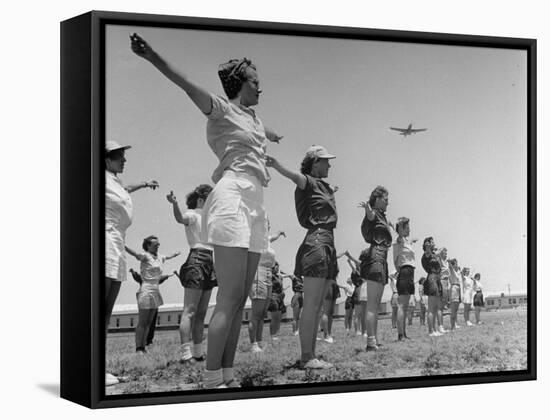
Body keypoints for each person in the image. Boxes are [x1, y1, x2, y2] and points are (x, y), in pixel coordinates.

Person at [131, 34, 282, 388]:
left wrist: (272, 136)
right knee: (228, 297)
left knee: (241, 299)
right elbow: (187, 86)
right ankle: (212, 380)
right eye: (255, 82)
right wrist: (153, 55)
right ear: (239, 83)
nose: (261, 88)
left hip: (256, 204)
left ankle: (227, 376)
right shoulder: (222, 108)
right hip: (232, 198)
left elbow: (260, 131)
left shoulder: (254, 119)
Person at [266, 145, 338, 369]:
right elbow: (295, 177)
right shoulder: (307, 180)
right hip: (316, 242)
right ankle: (306, 357)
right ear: (315, 162)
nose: (330, 164)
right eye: (326, 160)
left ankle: (311, 354)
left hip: (327, 242)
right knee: (312, 304)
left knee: (318, 306)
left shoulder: (324, 186)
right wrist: (277, 165)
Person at [104, 140, 158, 386]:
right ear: (105, 159)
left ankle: (98, 366)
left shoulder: (114, 181)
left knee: (105, 313)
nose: (124, 160)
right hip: (103, 244)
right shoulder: (97, 177)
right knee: (96, 310)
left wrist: (145, 184)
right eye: (118, 157)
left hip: (116, 247)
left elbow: (127, 188)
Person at [166, 186, 218, 363]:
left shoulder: (211, 219)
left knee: (202, 313)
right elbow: (180, 218)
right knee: (190, 311)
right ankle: (185, 354)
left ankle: (197, 352)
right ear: (201, 200)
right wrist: (174, 203)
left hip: (210, 261)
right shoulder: (193, 214)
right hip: (196, 258)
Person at [125, 236, 179, 353]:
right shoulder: (145, 256)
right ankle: (138, 347)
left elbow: (168, 256)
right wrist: (123, 245)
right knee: (143, 322)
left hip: (155, 289)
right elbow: (134, 254)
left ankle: (143, 346)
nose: (158, 246)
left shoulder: (160, 257)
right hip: (146, 289)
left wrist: (175, 254)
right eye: (155, 244)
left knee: (149, 322)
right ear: (148, 246)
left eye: (158, 244)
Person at [359, 186, 392, 351]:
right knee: (372, 305)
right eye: (385, 199)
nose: (388, 202)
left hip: (381, 260)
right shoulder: (373, 213)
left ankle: (374, 339)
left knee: (376, 305)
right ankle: (370, 342)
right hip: (376, 259)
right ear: (377, 199)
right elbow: (370, 216)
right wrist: (367, 207)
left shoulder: (382, 217)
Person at [248, 230, 285, 352]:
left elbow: (272, 237)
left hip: (269, 273)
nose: (267, 225)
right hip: (259, 272)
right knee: (256, 313)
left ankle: (259, 341)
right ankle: (253, 344)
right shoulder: (252, 238)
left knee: (263, 313)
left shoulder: (266, 239)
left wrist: (280, 233)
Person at [392, 217, 417, 340]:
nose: (409, 230)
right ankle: (400, 334)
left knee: (405, 306)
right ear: (401, 229)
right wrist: (400, 223)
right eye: (407, 228)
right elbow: (400, 233)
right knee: (402, 305)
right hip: (405, 272)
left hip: (410, 272)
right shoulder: (399, 241)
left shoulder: (406, 243)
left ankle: (404, 333)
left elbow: (408, 241)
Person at [421, 237, 446, 337]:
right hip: (431, 279)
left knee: (435, 307)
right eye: (432, 242)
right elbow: (427, 250)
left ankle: (435, 329)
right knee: (431, 308)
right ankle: (431, 331)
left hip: (436, 279)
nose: (434, 243)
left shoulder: (433, 255)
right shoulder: (427, 254)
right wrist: (428, 245)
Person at [342, 251, 367, 336]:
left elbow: (356, 264)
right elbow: (354, 265)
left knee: (360, 314)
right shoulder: (356, 272)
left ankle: (361, 331)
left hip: (361, 291)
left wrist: (350, 260)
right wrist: (350, 258)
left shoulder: (362, 272)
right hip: (359, 291)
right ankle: (358, 331)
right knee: (358, 314)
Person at [267, 262, 288, 340]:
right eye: (276, 267)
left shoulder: (279, 276)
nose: (277, 268)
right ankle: (272, 335)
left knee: (279, 317)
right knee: (275, 317)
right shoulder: (270, 276)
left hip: (280, 298)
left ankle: (277, 334)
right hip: (273, 297)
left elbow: (287, 276)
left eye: (278, 267)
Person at [320, 279, 341, 343]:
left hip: (334, 283)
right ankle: (326, 335)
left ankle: (329, 333)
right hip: (327, 283)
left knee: (331, 312)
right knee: (326, 312)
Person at [448, 258, 462, 330]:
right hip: (453, 288)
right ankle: (452, 326)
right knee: (453, 309)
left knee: (456, 309)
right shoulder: (451, 270)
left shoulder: (457, 272)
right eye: (456, 263)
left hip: (458, 288)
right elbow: (450, 266)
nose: (457, 265)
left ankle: (455, 324)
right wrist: (449, 262)